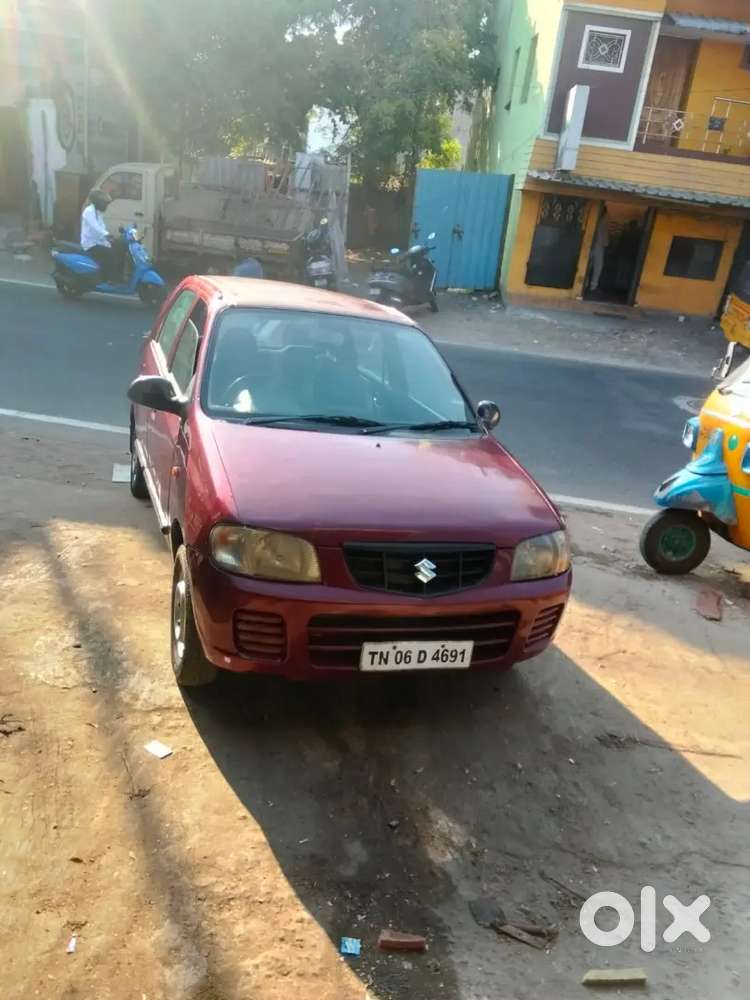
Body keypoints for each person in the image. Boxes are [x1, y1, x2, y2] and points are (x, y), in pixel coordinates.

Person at [80, 189, 121, 282]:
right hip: (90, 244)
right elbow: (95, 227)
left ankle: (116, 276)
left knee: (118, 247)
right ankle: (108, 278)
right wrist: (106, 235)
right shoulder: (89, 211)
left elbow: (102, 227)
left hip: (98, 241)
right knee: (110, 254)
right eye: (104, 203)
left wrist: (110, 237)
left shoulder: (98, 212)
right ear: (98, 202)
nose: (106, 206)